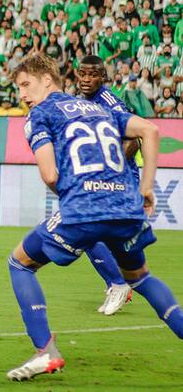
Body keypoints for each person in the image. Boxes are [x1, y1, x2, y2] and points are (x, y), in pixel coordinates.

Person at [6, 53, 183, 381]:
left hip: (83, 210)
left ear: (48, 79)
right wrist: (146, 187)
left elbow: (49, 175)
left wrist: (76, 197)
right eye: (19, 88)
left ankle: (45, 351)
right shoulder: (101, 108)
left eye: (26, 85)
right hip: (126, 208)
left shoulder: (40, 114)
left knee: (20, 263)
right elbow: (150, 129)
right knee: (140, 277)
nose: (22, 94)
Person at [75, 56, 140, 314]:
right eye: (82, 74)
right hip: (99, 181)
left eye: (92, 75)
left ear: (103, 77)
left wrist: (111, 171)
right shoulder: (80, 102)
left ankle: (118, 284)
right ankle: (119, 282)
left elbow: (134, 139)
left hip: (118, 181)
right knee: (93, 233)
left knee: (85, 229)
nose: (86, 79)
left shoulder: (110, 103)